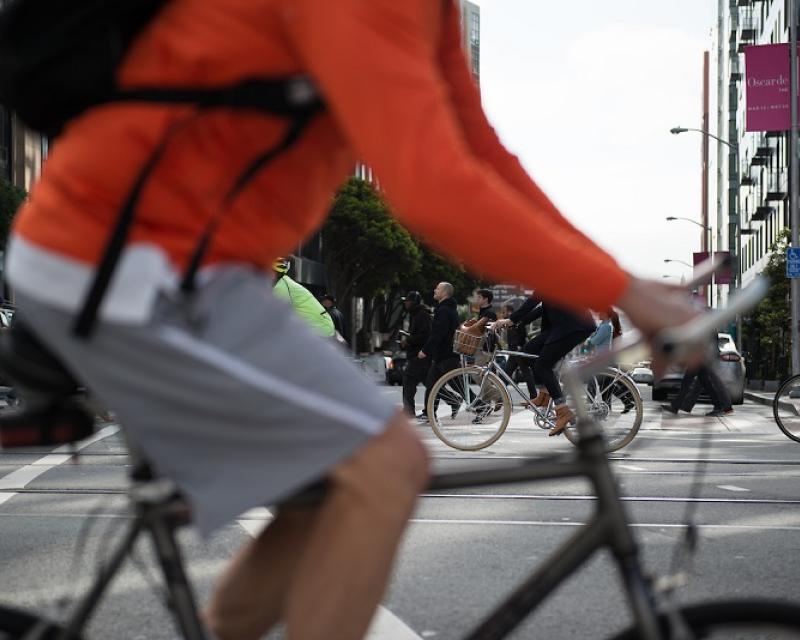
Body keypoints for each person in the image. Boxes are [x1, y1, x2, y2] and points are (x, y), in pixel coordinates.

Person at [4, 2, 700, 637]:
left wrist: (615, 287)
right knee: (385, 466)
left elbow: (480, 155)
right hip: (123, 262)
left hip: (196, 268)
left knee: (328, 490)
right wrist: (628, 293)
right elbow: (431, 188)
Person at [495, 295, 596, 436]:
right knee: (526, 354)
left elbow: (532, 301)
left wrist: (511, 319)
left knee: (543, 365)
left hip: (573, 327)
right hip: (560, 326)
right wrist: (518, 322)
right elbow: (544, 308)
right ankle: (544, 394)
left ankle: (562, 411)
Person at [418, 282, 460, 423]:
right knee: (432, 384)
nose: (435, 290)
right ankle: (429, 413)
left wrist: (425, 350)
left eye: (438, 289)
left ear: (445, 293)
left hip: (446, 355)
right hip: (443, 355)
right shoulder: (447, 309)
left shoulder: (443, 310)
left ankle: (479, 406)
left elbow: (438, 333)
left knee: (456, 384)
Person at [272, 258, 336, 338]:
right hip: (321, 325)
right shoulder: (284, 282)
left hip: (319, 327)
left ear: (278, 273)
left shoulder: (281, 287)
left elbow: (279, 315)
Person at [400, 290, 432, 417]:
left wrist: (408, 340)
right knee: (429, 383)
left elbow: (425, 335)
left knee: (408, 381)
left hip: (419, 355)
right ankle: (453, 400)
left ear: (413, 302)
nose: (405, 304)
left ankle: (408, 411)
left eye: (407, 301)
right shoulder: (415, 315)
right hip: (418, 354)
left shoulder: (422, 315)